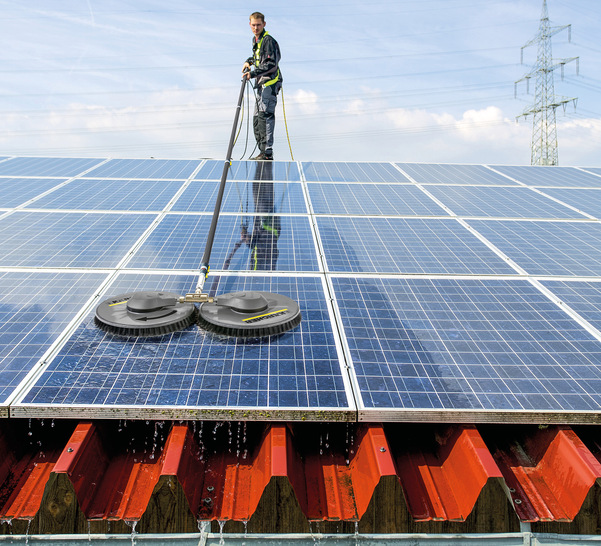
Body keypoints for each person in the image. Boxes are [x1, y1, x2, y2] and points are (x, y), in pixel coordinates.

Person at [242, 12, 282, 161]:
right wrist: (249, 61)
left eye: (258, 25)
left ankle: (267, 153)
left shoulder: (268, 41)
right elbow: (260, 58)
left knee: (265, 116)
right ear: (250, 25)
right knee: (257, 118)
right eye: (253, 25)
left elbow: (271, 64)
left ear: (264, 24)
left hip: (269, 84)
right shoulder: (256, 40)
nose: (256, 27)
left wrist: (252, 74)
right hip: (261, 85)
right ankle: (261, 151)